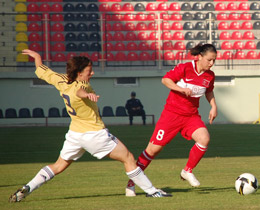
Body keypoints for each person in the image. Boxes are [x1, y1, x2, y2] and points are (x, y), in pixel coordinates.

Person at [9, 49, 172, 202]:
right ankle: (152, 191)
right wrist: (88, 95)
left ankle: (27, 188)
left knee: (58, 166)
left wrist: (37, 57)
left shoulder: (61, 80)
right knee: (128, 158)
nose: (92, 73)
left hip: (74, 135)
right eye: (89, 71)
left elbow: (43, 70)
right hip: (94, 134)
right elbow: (80, 91)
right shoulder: (82, 85)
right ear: (79, 73)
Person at [125, 44, 218, 196]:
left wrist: (213, 106)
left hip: (191, 116)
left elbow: (209, 91)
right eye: (209, 60)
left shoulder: (210, 75)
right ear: (200, 56)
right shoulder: (185, 68)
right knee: (152, 150)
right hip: (171, 115)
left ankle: (187, 171)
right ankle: (131, 183)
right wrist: (181, 89)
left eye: (214, 61)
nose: (211, 63)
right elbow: (166, 80)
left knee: (204, 138)